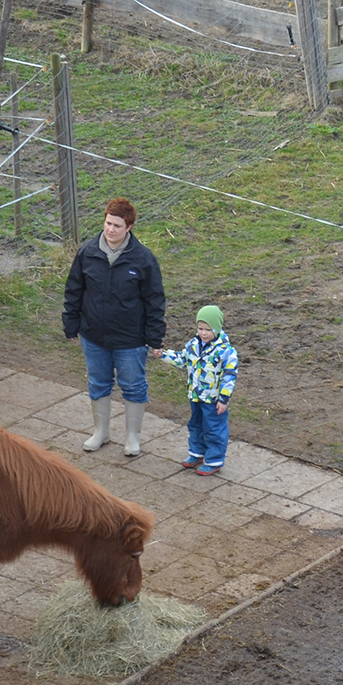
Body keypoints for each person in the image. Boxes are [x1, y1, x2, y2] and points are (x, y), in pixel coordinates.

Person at [63, 197, 165, 457]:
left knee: (133, 386)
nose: (110, 229)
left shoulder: (144, 259)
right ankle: (101, 432)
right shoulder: (87, 252)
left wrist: (154, 337)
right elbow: (74, 289)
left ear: (129, 227)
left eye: (117, 225)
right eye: (108, 223)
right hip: (93, 335)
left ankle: (132, 437)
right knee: (98, 382)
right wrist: (71, 323)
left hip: (131, 339)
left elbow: (155, 300)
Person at [155, 305, 239, 476]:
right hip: (195, 396)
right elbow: (182, 360)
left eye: (208, 330)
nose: (203, 333)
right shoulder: (193, 345)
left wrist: (223, 399)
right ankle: (197, 452)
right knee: (195, 425)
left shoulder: (226, 352)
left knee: (214, 429)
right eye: (200, 329)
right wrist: (164, 355)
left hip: (214, 400)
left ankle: (214, 460)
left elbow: (229, 377)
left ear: (216, 329)